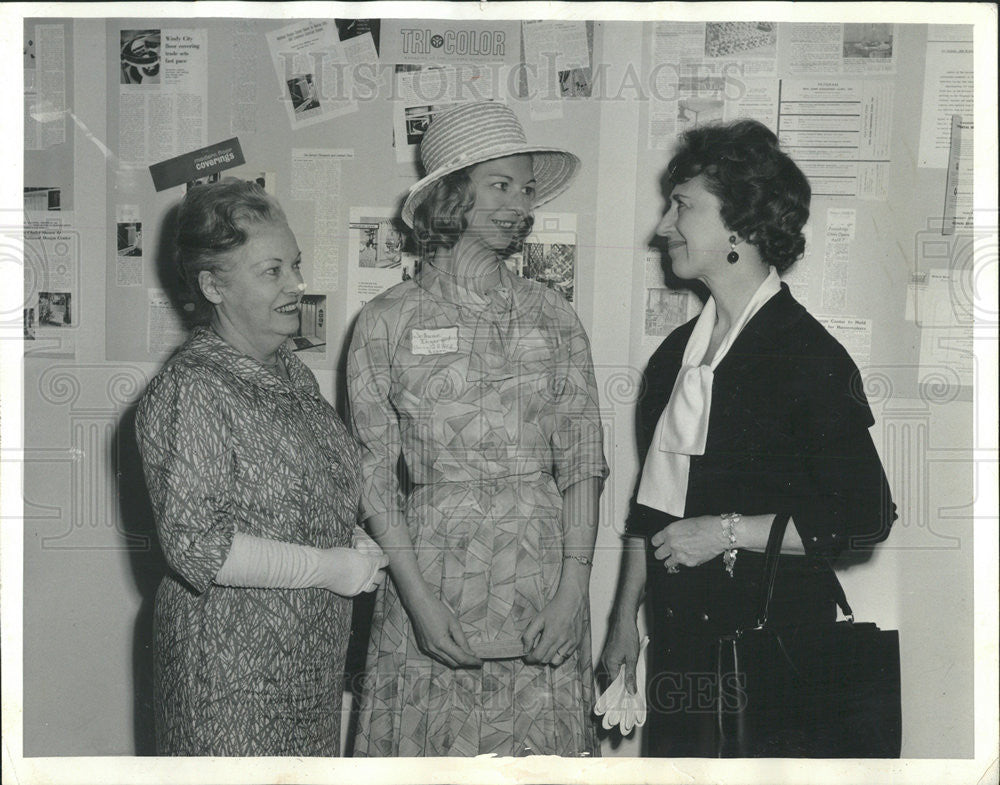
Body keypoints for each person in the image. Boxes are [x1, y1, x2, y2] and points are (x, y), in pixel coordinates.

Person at [600, 120, 897, 757]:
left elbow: (866, 518)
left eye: (683, 206)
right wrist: (623, 619)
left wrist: (725, 530)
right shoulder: (675, 357)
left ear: (740, 224)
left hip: (774, 653)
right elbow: (652, 510)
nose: (662, 227)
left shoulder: (806, 354)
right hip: (682, 648)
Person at [348, 102, 609, 757]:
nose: (519, 204)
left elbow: (582, 460)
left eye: (525, 189)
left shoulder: (554, 316)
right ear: (450, 195)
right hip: (431, 582)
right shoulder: (385, 321)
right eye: (500, 185)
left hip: (541, 580)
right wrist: (417, 602)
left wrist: (573, 588)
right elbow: (372, 471)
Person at [136, 179, 388, 756]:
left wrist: (349, 537)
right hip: (228, 675)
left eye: (295, 266)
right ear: (212, 286)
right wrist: (329, 567)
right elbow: (198, 546)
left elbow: (302, 491)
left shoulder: (289, 374)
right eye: (271, 271)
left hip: (304, 666)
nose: (297, 285)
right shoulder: (193, 387)